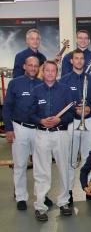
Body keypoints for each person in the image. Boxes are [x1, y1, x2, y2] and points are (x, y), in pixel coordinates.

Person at [29, 61, 74, 221]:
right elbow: (30, 114)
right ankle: (40, 206)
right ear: (43, 72)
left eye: (53, 70)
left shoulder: (65, 90)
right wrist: (41, 121)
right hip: (42, 134)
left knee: (63, 168)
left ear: (57, 73)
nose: (49, 73)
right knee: (41, 171)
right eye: (46, 70)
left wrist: (59, 121)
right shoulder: (36, 91)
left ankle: (64, 202)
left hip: (60, 134)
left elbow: (71, 114)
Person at [2, 56, 45, 210]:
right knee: (20, 164)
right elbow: (6, 107)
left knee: (40, 165)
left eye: (36, 66)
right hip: (19, 128)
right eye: (30, 65)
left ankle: (41, 196)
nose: (33, 68)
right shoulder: (15, 83)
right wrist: (8, 128)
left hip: (38, 130)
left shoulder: (42, 84)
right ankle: (21, 197)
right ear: (24, 66)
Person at [60, 49, 91, 203]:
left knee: (88, 157)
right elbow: (61, 102)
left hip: (88, 120)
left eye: (81, 59)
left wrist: (90, 108)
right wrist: (73, 109)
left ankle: (87, 189)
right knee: (70, 158)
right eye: (76, 58)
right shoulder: (63, 80)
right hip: (71, 121)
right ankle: (69, 191)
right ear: (71, 61)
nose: (78, 61)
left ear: (84, 61)